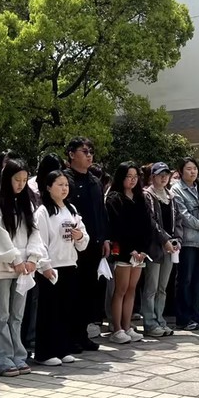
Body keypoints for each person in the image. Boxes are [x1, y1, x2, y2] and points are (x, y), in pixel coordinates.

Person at [0, 159, 44, 377]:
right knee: (1, 314)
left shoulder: (27, 202)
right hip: (2, 266)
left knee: (17, 315)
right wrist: (15, 258)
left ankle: (18, 355)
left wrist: (33, 258)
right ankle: (1, 359)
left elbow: (35, 233)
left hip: (23, 268)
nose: (21, 184)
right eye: (17, 179)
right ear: (7, 178)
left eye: (25, 180)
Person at [33, 170, 90, 364]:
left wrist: (80, 237)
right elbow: (39, 242)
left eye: (66, 185)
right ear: (49, 187)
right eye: (59, 184)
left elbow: (83, 239)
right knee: (49, 311)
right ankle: (44, 353)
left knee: (66, 309)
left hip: (69, 264)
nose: (64, 188)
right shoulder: (43, 211)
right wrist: (45, 265)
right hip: (51, 268)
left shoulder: (71, 209)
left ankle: (62, 348)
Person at [105, 162, 152, 344]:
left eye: (135, 177)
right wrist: (130, 249)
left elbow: (146, 225)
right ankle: (116, 328)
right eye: (128, 177)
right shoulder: (114, 198)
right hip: (123, 251)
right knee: (121, 289)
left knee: (132, 289)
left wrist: (143, 250)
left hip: (139, 253)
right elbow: (117, 227)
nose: (132, 180)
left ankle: (127, 326)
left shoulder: (140, 198)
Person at [67, 138, 107, 348]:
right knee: (73, 292)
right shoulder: (66, 180)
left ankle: (82, 334)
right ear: (71, 154)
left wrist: (105, 238)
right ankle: (70, 336)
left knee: (88, 291)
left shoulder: (95, 181)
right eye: (84, 151)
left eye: (91, 151)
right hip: (72, 246)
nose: (89, 155)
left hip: (94, 244)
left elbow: (101, 212)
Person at [172, 157, 199, 332]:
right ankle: (183, 318)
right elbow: (183, 215)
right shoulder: (177, 190)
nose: (193, 172)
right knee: (185, 280)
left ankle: (196, 314)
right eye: (189, 169)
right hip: (188, 241)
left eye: (195, 168)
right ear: (181, 171)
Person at [143, 162, 180, 338]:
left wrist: (177, 240)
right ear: (153, 176)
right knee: (151, 287)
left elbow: (178, 220)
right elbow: (150, 222)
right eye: (160, 174)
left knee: (162, 287)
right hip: (154, 248)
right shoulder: (147, 195)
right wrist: (164, 240)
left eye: (166, 174)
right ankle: (150, 322)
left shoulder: (171, 197)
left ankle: (160, 319)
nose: (164, 177)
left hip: (170, 247)